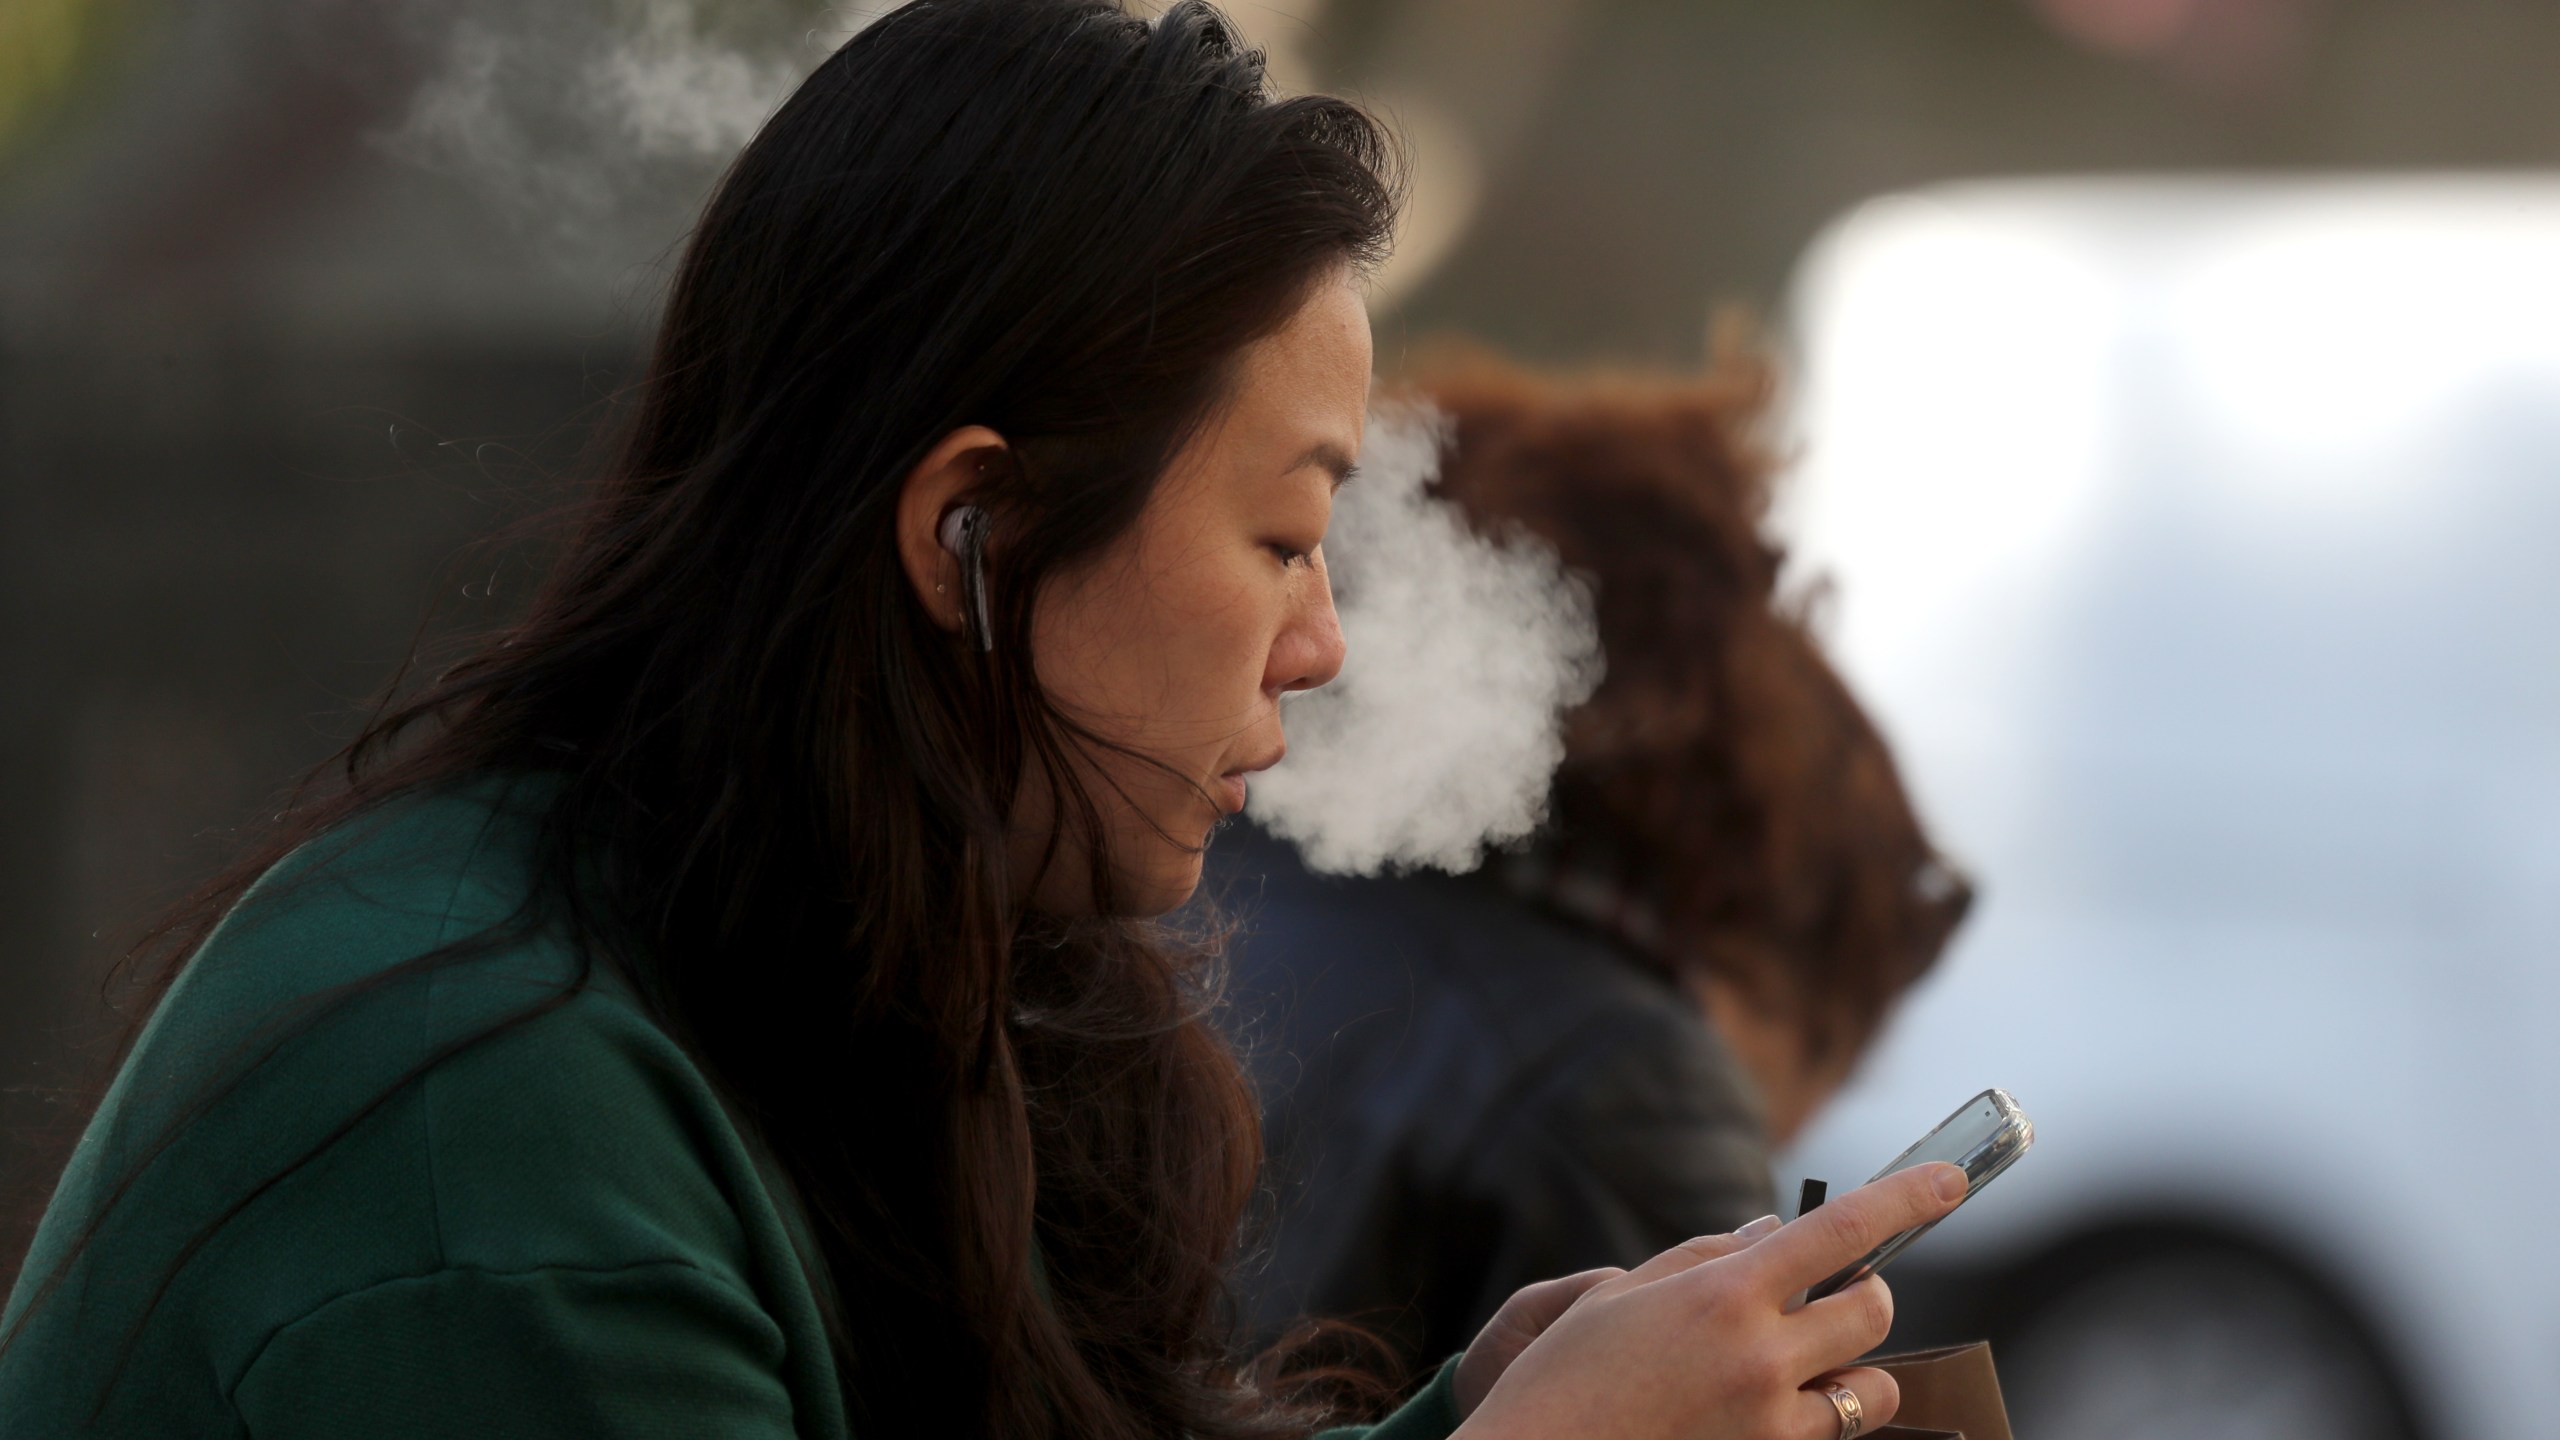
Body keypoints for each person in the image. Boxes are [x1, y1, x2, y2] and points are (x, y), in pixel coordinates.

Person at [0, 6, 1966, 1439]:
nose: (1320, 645)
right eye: (1282, 535)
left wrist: (1465, 1421)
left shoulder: (822, 974)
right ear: (974, 532)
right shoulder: (486, 1142)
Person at [1220, 350, 1974, 1375]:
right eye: (1794, 1092)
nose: (1768, 1150)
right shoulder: (1622, 1085)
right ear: (1747, 926)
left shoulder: (1201, 881)